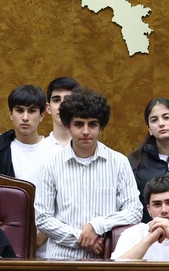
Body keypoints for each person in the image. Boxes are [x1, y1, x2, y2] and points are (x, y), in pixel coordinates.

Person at [33, 90, 141, 261]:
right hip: (61, 260)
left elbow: (134, 211)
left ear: (101, 127)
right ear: (68, 125)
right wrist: (81, 238)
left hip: (106, 258)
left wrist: (97, 226)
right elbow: (43, 218)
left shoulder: (119, 162)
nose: (85, 131)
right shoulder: (50, 165)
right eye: (78, 124)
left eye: (92, 124)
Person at [0, 84, 57, 181]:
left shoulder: (55, 153)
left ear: (42, 115)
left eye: (31, 111)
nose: (25, 118)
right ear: (10, 114)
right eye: (20, 111)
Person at [42, 76, 80, 147]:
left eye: (68, 100)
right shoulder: (39, 149)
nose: (62, 106)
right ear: (48, 108)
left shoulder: (93, 148)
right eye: (56, 100)